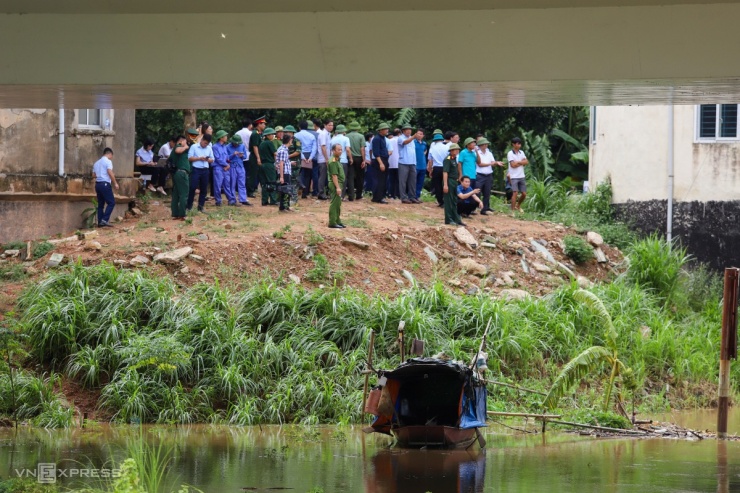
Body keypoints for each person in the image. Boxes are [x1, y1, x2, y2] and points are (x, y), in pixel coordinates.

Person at [475, 137, 504, 215]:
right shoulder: (477, 153)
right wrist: (491, 163)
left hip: (488, 174)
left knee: (487, 192)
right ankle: (475, 207)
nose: (486, 146)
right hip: (479, 174)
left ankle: (485, 208)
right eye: (484, 144)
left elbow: (493, 162)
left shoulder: (489, 153)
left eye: (486, 144)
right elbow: (480, 164)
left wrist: (496, 163)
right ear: (481, 145)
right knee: (477, 191)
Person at [92, 147, 119, 227]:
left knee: (101, 204)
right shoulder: (108, 161)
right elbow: (110, 172)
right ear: (109, 154)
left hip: (98, 184)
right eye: (112, 156)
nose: (112, 157)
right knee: (111, 202)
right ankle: (104, 220)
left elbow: (93, 175)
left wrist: (100, 174)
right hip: (105, 184)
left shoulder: (96, 163)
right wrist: (115, 183)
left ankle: (100, 222)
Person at [187, 133, 214, 213]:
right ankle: (189, 206)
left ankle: (201, 206)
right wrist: (199, 158)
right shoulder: (194, 147)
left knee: (204, 189)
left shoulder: (209, 148)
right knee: (192, 187)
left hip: (205, 169)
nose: (205, 145)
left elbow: (212, 159)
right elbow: (190, 158)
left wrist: (207, 159)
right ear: (201, 140)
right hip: (196, 169)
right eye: (205, 143)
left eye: (207, 144)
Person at [443, 143, 465, 226]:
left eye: (458, 150)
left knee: (454, 201)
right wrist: (445, 185)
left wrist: (460, 175)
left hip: (455, 181)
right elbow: (445, 172)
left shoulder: (454, 158)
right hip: (449, 181)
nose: (457, 151)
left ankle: (456, 218)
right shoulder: (448, 159)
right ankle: (448, 219)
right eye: (455, 150)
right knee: (449, 201)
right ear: (451, 151)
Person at [397, 124, 419, 204]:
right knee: (403, 181)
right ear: (403, 131)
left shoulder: (412, 139)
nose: (409, 131)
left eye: (410, 129)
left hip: (412, 162)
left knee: (412, 180)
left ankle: (412, 197)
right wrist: (413, 137)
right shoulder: (400, 138)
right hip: (403, 162)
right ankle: (403, 197)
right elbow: (405, 142)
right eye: (407, 129)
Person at [294, 120, 317, 199]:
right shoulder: (311, 136)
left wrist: (303, 157)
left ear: (299, 127)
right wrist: (310, 158)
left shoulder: (296, 135)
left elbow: (298, 148)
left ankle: (299, 190)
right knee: (307, 175)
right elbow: (314, 148)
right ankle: (305, 193)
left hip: (300, 155)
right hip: (309, 155)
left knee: (299, 173)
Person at [212, 130, 235, 206]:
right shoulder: (215, 147)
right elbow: (218, 158)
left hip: (225, 168)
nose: (226, 137)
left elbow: (227, 157)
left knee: (227, 184)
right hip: (218, 168)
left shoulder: (225, 147)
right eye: (225, 136)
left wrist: (232, 156)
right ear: (221, 138)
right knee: (218, 185)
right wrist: (226, 165)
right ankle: (218, 201)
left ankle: (231, 200)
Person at [226, 134, 251, 206]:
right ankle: (232, 199)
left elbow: (245, 156)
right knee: (232, 183)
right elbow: (226, 158)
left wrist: (242, 155)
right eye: (235, 143)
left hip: (240, 166)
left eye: (238, 144)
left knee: (242, 183)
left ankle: (243, 199)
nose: (237, 145)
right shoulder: (227, 147)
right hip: (232, 166)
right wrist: (233, 154)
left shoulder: (242, 146)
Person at [170, 136, 191, 220]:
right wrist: (185, 146)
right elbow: (177, 150)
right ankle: (182, 214)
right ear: (182, 141)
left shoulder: (180, 148)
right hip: (182, 173)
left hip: (177, 174)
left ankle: (175, 213)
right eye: (185, 141)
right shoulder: (179, 146)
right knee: (184, 194)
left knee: (176, 194)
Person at [330, 124, 352, 200]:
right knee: (342, 178)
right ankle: (341, 195)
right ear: (343, 131)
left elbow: (331, 150)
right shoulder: (346, 138)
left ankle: (333, 194)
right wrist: (351, 158)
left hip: (334, 160)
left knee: (334, 177)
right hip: (343, 161)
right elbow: (348, 149)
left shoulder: (332, 139)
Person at [507, 137, 529, 211]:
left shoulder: (521, 152)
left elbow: (526, 162)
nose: (519, 145)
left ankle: (518, 205)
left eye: (520, 143)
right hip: (514, 176)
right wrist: (521, 162)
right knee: (515, 193)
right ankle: (512, 210)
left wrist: (518, 162)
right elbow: (513, 165)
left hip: (521, 175)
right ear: (513, 144)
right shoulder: (510, 153)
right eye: (517, 143)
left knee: (524, 194)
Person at [327, 143, 346, 229]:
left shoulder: (337, 160)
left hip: (339, 184)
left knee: (338, 203)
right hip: (335, 184)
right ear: (333, 151)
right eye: (338, 150)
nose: (340, 151)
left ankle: (337, 220)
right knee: (334, 203)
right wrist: (338, 187)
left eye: (341, 149)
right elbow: (334, 175)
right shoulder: (333, 161)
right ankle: (332, 222)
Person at [371, 123, 391, 204]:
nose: (387, 131)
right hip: (380, 160)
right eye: (385, 129)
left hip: (384, 159)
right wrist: (381, 163)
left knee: (384, 179)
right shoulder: (376, 139)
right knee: (380, 180)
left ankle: (379, 196)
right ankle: (379, 197)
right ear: (381, 130)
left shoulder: (383, 138)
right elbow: (376, 153)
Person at [258, 127, 278, 206]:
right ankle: (273, 200)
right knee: (272, 182)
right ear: (268, 135)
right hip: (269, 164)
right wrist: (276, 163)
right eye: (272, 134)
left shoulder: (261, 143)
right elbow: (275, 153)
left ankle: (264, 201)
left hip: (262, 165)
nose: (273, 136)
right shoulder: (269, 143)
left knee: (265, 183)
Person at [248, 116, 267, 197]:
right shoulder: (255, 133)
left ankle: (255, 189)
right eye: (263, 124)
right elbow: (255, 146)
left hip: (259, 156)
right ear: (259, 124)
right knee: (253, 174)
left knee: (259, 174)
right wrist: (258, 158)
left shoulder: (260, 133)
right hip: (255, 156)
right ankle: (250, 191)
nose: (265, 126)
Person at [346, 121, 365, 201]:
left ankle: (351, 195)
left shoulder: (346, 136)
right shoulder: (361, 136)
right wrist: (364, 160)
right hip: (359, 158)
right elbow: (362, 148)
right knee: (360, 177)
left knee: (350, 177)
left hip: (350, 157)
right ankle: (359, 195)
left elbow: (347, 148)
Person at [428, 131, 447, 207]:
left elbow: (430, 160)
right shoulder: (446, 147)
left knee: (437, 185)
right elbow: (450, 157)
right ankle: (446, 200)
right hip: (445, 167)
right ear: (442, 140)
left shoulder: (432, 148)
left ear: (434, 140)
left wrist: (430, 169)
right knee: (445, 184)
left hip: (436, 168)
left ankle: (440, 201)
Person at [283, 125, 302, 205]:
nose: (286, 133)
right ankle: (287, 198)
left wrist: (288, 156)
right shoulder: (285, 141)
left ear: (292, 133)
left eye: (287, 132)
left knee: (294, 181)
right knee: (287, 180)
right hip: (286, 163)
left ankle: (294, 199)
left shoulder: (296, 141)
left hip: (295, 164)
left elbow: (298, 151)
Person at [276, 134, 294, 212]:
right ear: (289, 140)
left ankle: (286, 206)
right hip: (284, 172)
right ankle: (283, 207)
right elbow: (281, 163)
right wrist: (282, 176)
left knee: (286, 189)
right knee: (285, 190)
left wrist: (290, 163)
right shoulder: (283, 150)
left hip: (285, 171)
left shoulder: (283, 149)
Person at [316, 119, 333, 199]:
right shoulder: (323, 134)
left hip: (327, 158)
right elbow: (323, 147)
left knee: (326, 176)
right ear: (325, 125)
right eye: (329, 125)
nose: (331, 127)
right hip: (323, 159)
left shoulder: (328, 134)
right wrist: (326, 158)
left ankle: (324, 192)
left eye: (332, 125)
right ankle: (321, 193)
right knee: (322, 176)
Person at [235, 118, 253, 191]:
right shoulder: (250, 133)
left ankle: (237, 188)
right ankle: (246, 188)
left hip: (238, 155)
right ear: (250, 125)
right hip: (248, 155)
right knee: (247, 174)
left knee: (238, 173)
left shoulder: (237, 133)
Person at [386, 128, 400, 199]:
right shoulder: (400, 140)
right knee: (398, 180)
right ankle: (397, 194)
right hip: (399, 162)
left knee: (391, 179)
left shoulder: (389, 141)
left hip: (390, 162)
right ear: (399, 134)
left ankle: (390, 194)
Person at [414, 128, 428, 200]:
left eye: (421, 134)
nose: (419, 135)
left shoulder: (424, 143)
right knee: (413, 181)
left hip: (423, 165)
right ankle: (412, 195)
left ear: (423, 135)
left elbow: (425, 151)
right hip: (415, 165)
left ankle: (417, 196)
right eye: (418, 133)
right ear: (415, 134)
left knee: (420, 182)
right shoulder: (413, 142)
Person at [363, 132, 375, 197]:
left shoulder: (373, 144)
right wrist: (365, 160)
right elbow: (364, 153)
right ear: (369, 138)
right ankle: (367, 190)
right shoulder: (366, 144)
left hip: (372, 162)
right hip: (368, 162)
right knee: (368, 177)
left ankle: (372, 190)